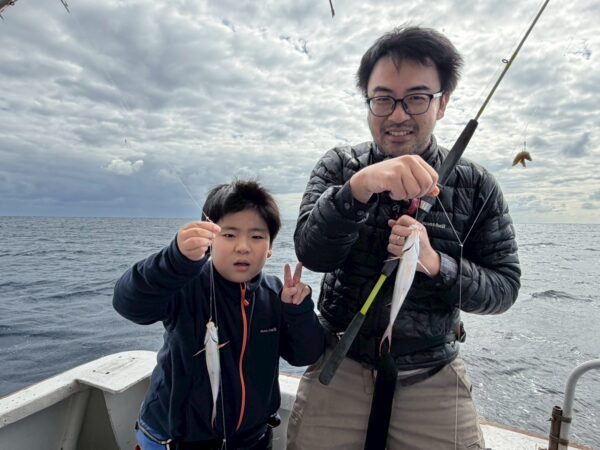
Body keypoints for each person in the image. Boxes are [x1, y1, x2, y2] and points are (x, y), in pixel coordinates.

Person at [287, 26, 521, 450]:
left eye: (416, 98)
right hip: (339, 362)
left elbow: (504, 288)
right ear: (368, 103)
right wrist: (356, 191)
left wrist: (435, 263)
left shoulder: (477, 185)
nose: (397, 115)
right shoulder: (340, 166)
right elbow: (311, 253)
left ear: (442, 103)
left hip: (433, 373)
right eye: (383, 99)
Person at [113, 179, 325, 450]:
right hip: (176, 440)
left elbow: (305, 355)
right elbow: (129, 304)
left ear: (270, 247)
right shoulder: (186, 284)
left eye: (257, 236)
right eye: (229, 235)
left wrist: (298, 311)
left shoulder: (275, 294)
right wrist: (174, 261)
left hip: (251, 440)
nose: (243, 247)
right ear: (209, 239)